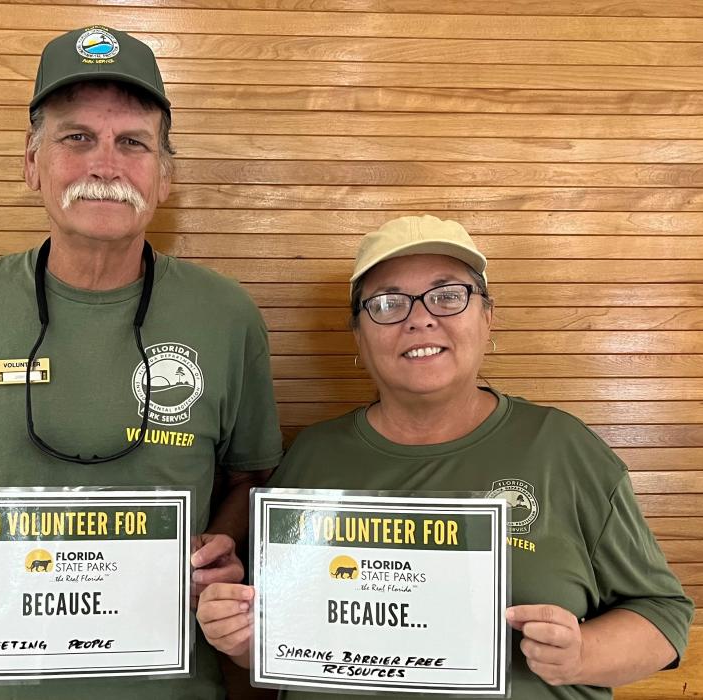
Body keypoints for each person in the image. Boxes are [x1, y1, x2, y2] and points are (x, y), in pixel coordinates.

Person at [0, 26, 282, 700]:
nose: (104, 166)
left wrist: (218, 545)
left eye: (133, 142)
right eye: (76, 137)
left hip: (173, 684)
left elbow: (250, 476)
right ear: (31, 163)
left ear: (166, 176)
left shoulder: (226, 315)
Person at [197, 214, 692, 699]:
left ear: (488, 317)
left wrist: (581, 654)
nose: (420, 318)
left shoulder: (560, 448)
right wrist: (241, 638)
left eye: (448, 296)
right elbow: (273, 638)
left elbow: (663, 615)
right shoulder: (311, 456)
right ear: (358, 337)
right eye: (388, 303)